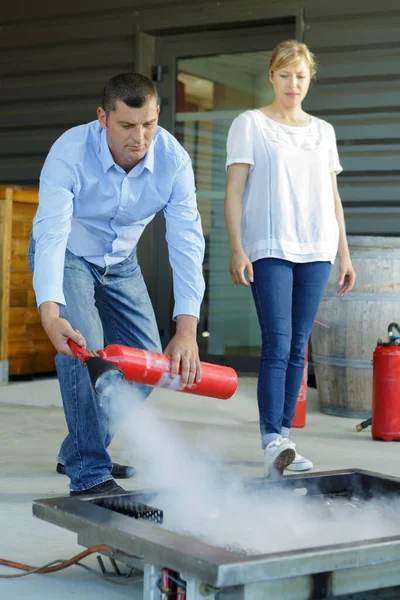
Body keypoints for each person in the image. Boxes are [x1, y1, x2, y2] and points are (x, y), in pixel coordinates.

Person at [28, 73, 205, 495]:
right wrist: (50, 314)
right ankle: (89, 473)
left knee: (148, 366)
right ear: (103, 118)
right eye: (126, 126)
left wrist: (186, 330)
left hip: (121, 262)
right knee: (82, 346)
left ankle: (80, 446)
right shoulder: (69, 152)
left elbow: (186, 242)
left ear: (157, 114)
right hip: (69, 252)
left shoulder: (174, 161)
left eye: (148, 124)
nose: (139, 137)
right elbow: (51, 234)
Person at [224, 40, 355, 477]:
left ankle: (284, 439)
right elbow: (235, 191)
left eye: (300, 76)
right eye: (285, 75)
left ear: (309, 78)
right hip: (271, 247)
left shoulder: (323, 131)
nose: (292, 84)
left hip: (317, 248)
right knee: (277, 343)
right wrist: (237, 247)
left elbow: (332, 198)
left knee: (299, 347)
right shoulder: (250, 125)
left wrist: (344, 254)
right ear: (271, 77)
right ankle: (270, 439)